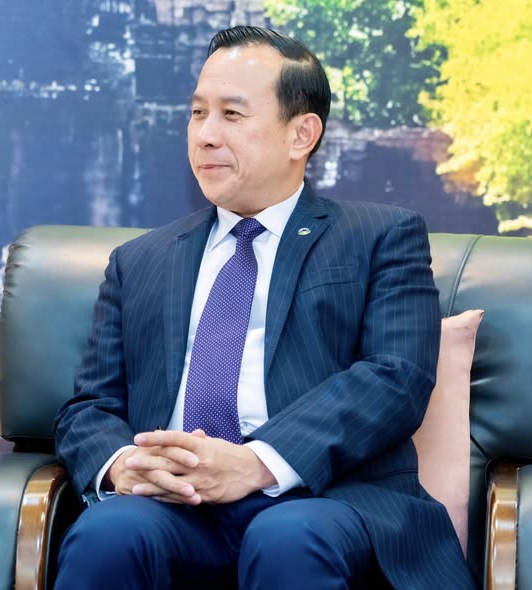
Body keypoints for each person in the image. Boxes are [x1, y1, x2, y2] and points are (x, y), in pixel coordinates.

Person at [54, 25, 476, 590]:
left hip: (325, 499)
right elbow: (89, 406)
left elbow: (396, 377)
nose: (205, 135)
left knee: (288, 539)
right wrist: (123, 465)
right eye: (197, 113)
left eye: (231, 114)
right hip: (175, 504)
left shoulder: (380, 236)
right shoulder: (139, 260)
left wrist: (255, 463)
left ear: (302, 134)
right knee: (108, 532)